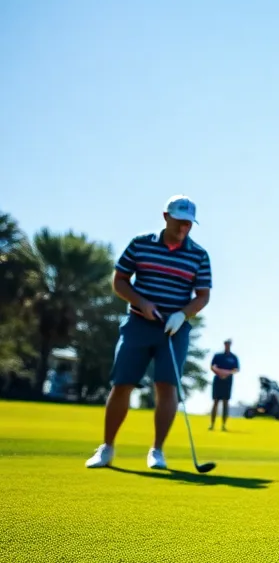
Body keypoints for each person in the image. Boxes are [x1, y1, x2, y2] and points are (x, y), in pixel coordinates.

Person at [86, 196, 211, 469]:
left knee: (167, 387)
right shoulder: (140, 244)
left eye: (189, 224)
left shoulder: (199, 255)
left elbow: (202, 296)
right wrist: (140, 302)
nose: (184, 229)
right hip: (138, 324)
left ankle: (157, 451)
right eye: (179, 222)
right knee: (122, 384)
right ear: (166, 217)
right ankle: (106, 448)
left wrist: (182, 315)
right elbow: (119, 280)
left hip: (173, 330)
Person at [209, 338, 240, 431]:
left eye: (229, 344)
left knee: (226, 402)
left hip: (228, 381)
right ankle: (212, 424)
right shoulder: (218, 356)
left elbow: (236, 369)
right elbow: (212, 366)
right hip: (218, 380)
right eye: (226, 343)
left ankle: (223, 425)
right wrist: (219, 372)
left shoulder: (233, 357)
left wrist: (227, 373)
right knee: (215, 402)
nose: (227, 345)